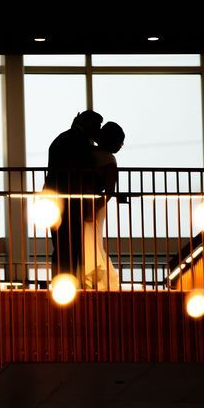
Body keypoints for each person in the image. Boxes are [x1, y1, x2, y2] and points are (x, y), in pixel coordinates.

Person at [44, 110, 103, 282]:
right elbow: (84, 171)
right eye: (96, 126)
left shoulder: (62, 138)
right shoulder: (79, 142)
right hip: (70, 201)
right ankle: (66, 282)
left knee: (61, 245)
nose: (97, 130)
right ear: (87, 123)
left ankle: (62, 281)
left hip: (54, 199)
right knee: (70, 244)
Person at [83, 121, 125, 290]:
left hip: (89, 202)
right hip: (98, 203)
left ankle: (90, 274)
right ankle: (94, 274)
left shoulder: (87, 153)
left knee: (88, 238)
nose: (121, 145)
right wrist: (96, 206)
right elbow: (109, 191)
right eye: (120, 141)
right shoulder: (109, 159)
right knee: (92, 238)